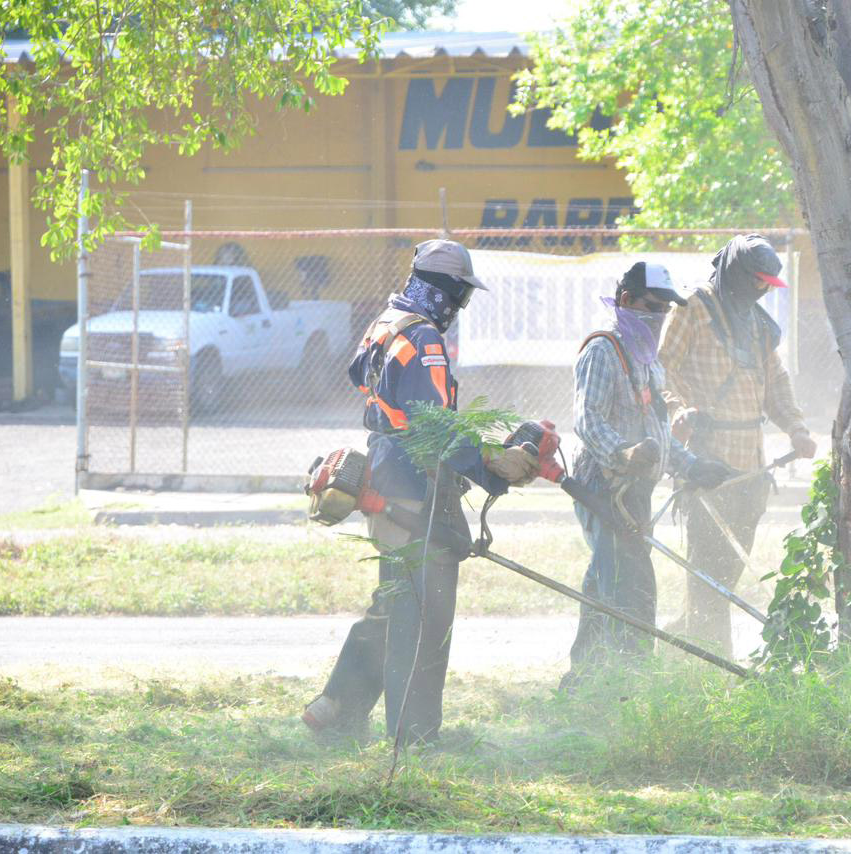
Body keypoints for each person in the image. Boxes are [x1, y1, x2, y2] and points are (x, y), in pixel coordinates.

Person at [303, 239, 538, 745]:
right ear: (442, 289)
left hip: (386, 473)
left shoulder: (388, 324)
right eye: (459, 294)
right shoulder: (425, 339)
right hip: (415, 486)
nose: (460, 306)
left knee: (394, 604)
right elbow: (435, 428)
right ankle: (415, 737)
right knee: (423, 617)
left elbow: (368, 384)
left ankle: (336, 709)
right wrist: (492, 468)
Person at [561, 262, 732, 688]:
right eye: (652, 307)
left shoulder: (648, 360)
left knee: (605, 583)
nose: (659, 318)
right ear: (626, 301)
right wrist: (623, 451)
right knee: (629, 587)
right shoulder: (603, 351)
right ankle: (629, 683)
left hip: (635, 489)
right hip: (604, 485)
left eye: (665, 311)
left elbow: (657, 430)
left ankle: (583, 681)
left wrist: (691, 465)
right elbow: (587, 419)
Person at [659, 234, 817, 658]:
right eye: (756, 280)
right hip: (708, 464)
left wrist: (796, 428)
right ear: (736, 274)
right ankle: (715, 663)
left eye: (768, 284)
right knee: (706, 572)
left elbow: (775, 381)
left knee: (725, 574)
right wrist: (678, 411)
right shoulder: (691, 307)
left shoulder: (756, 322)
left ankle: (678, 648)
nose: (761, 289)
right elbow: (662, 368)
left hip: (753, 469)